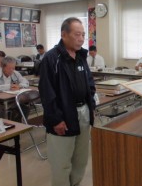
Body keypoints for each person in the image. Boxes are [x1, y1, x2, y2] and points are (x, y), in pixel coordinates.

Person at [39, 17, 96, 186]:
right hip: (63, 116)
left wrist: (91, 104)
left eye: (83, 35)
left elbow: (89, 83)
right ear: (64, 34)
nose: (81, 39)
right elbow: (47, 92)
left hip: (83, 113)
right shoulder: (51, 58)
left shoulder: (81, 56)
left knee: (80, 160)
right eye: (77, 34)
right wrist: (56, 119)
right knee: (62, 163)